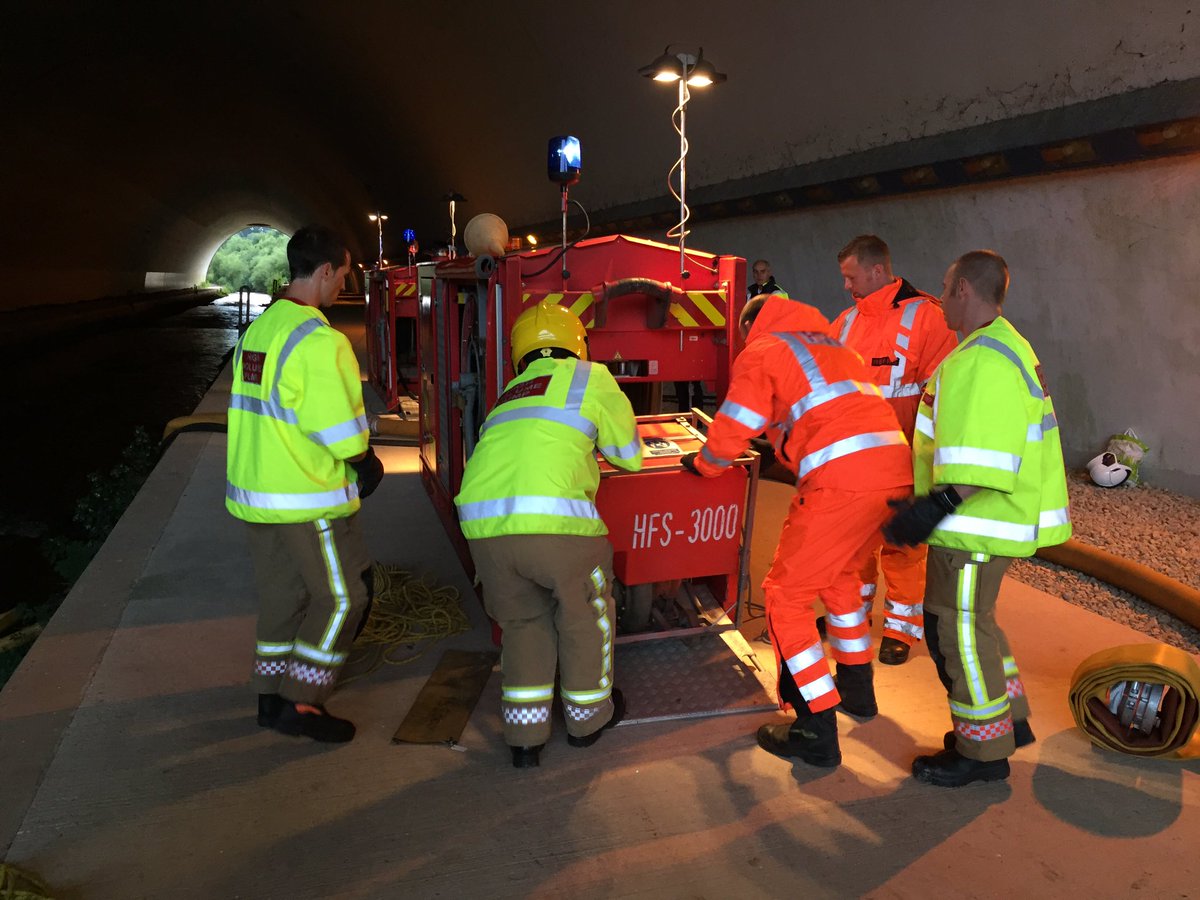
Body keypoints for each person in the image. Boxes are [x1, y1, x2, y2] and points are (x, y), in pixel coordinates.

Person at [681, 294, 912, 769]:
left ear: (751, 326)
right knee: (841, 580)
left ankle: (815, 727)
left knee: (786, 597)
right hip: (893, 475)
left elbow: (735, 426)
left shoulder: (763, 349)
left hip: (840, 483)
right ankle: (857, 693)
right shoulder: (834, 346)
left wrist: (705, 464)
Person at [885, 250, 1071, 787]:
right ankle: (1003, 724)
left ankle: (981, 754)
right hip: (987, 529)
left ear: (965, 289)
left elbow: (987, 461)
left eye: (944, 289)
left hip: (974, 531)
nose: (939, 299)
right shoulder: (1005, 346)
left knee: (956, 632)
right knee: (978, 626)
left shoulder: (980, 360)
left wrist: (934, 507)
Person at [455, 301, 643, 768]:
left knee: (524, 624)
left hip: (483, 528)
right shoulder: (591, 376)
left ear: (521, 355)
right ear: (577, 344)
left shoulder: (510, 393)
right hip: (557, 526)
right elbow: (629, 455)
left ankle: (525, 739)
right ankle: (587, 721)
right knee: (583, 616)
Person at [226, 225, 385, 743]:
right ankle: (303, 702)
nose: (343, 285)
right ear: (322, 272)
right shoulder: (320, 341)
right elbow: (340, 432)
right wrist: (364, 460)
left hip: (256, 497)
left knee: (282, 599)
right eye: (342, 275)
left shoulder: (260, 329)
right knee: (343, 600)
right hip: (306, 496)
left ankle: (269, 701)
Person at [832, 235, 959, 666]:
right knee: (854, 543)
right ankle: (853, 617)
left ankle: (901, 629)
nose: (847, 287)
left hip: (903, 458)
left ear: (876, 270)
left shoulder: (927, 317)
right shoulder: (846, 322)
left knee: (902, 546)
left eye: (852, 278)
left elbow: (943, 395)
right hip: (854, 461)